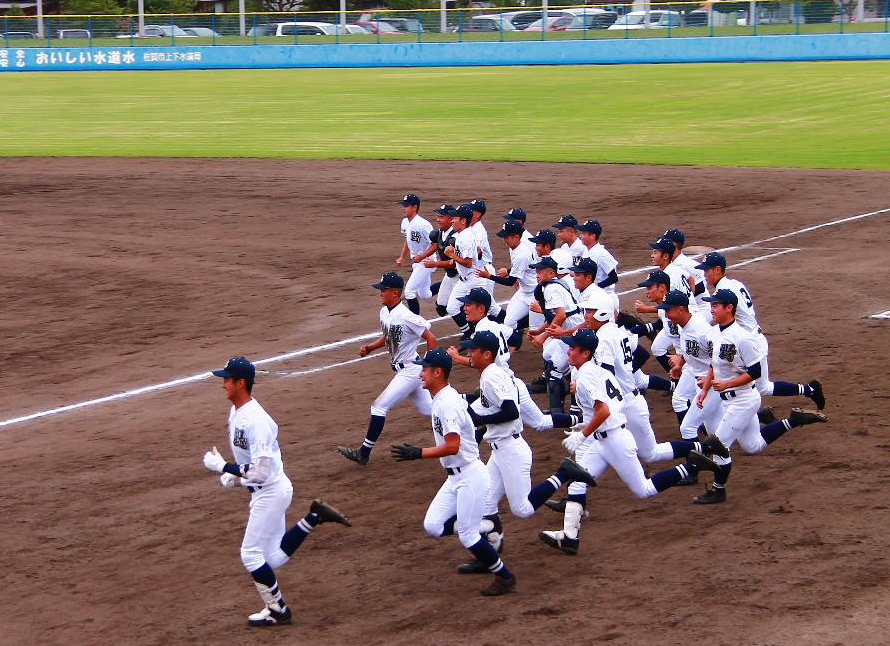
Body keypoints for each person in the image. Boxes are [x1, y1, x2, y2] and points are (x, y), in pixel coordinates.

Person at [539, 330, 721, 555]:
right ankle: (569, 537)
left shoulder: (587, 375)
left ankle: (690, 466)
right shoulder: (595, 371)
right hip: (604, 439)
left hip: (615, 441)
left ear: (585, 353)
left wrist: (583, 433)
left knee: (643, 489)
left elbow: (603, 411)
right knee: (577, 481)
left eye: (573, 348)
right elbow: (609, 408)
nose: (568, 350)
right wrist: (586, 428)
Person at [201, 356, 351, 626]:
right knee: (272, 558)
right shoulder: (237, 412)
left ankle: (278, 610)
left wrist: (224, 466)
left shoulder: (256, 421)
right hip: (267, 490)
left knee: (250, 555)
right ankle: (314, 516)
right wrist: (234, 479)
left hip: (270, 492)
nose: (223, 384)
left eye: (227, 379)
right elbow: (253, 470)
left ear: (241, 383)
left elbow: (260, 472)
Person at [456, 331, 598, 571]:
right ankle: (489, 555)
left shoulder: (491, 376)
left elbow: (511, 412)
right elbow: (492, 409)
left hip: (512, 450)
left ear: (487, 354)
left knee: (522, 509)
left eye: (473, 350)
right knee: (487, 504)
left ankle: (563, 473)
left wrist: (478, 420)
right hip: (501, 450)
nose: (469, 354)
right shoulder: (489, 375)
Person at [389, 348, 516, 596]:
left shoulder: (446, 403)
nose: (421, 373)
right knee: (433, 525)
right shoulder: (445, 397)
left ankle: (504, 576)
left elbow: (453, 446)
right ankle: (486, 527)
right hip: (456, 476)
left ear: (438, 372)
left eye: (425, 368)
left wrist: (419, 453)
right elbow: (469, 423)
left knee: (467, 536)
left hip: (469, 474)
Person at [692, 290, 827, 504]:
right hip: (730, 400)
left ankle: (719, 490)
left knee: (718, 444)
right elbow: (713, 365)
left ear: (729, 308)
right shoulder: (716, 334)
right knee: (753, 445)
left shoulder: (742, 338)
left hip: (744, 400)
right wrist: (705, 389)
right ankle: (793, 420)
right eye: (711, 305)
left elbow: (754, 372)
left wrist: (726, 384)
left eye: (716, 305)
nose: (711, 309)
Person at [695, 252, 825, 410]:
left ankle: (809, 390)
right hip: (749, 339)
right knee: (743, 385)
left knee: (759, 388)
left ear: (717, 269)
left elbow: (711, 321)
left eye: (707, 270)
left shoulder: (722, 293)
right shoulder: (735, 284)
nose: (704, 274)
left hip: (750, 343)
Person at [446, 288, 578, 434]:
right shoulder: (495, 325)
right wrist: (505, 356)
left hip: (502, 384)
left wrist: (457, 358)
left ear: (481, 308)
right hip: (508, 381)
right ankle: (579, 421)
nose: (464, 308)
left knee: (470, 420)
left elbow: (478, 362)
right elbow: (514, 339)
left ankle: (581, 421)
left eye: (468, 305)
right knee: (540, 422)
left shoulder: (482, 331)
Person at [338, 272, 436, 466]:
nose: (380, 293)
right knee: (430, 409)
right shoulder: (384, 312)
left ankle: (363, 453)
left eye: (383, 290)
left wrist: (428, 368)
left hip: (412, 370)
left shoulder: (407, 316)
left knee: (379, 406)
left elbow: (431, 338)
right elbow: (388, 336)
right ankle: (473, 418)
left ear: (395, 293)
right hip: (404, 370)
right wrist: (370, 347)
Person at [526, 256, 584, 414]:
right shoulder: (550, 286)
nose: (536, 274)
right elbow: (554, 317)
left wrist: (543, 336)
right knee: (549, 354)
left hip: (575, 333)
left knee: (555, 367)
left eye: (540, 271)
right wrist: (538, 331)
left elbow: (561, 316)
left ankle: (557, 412)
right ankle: (565, 385)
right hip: (568, 332)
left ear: (551, 273)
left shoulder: (551, 288)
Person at [476, 219, 537, 334]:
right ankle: (516, 335)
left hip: (534, 294)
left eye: (507, 237)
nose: (505, 241)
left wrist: (489, 276)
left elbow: (510, 282)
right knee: (509, 321)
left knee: (535, 329)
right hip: (524, 292)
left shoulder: (521, 254)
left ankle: (534, 320)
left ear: (516, 237)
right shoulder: (515, 249)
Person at [445, 204, 490, 337]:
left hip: (474, 279)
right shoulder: (461, 235)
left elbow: (468, 263)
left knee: (491, 310)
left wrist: (452, 255)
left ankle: (511, 334)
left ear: (463, 221)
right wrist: (455, 254)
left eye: (455, 218)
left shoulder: (466, 237)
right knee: (451, 307)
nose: (452, 220)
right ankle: (470, 334)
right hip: (464, 280)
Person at [412, 204, 458, 318]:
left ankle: (471, 331)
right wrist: (422, 256)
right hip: (449, 275)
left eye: (442, 217)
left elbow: (455, 263)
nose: (438, 219)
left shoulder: (456, 237)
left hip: (462, 277)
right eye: (438, 216)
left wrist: (434, 264)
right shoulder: (439, 233)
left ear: (451, 219)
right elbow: (436, 245)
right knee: (442, 308)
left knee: (461, 307)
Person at [395, 193, 435, 316]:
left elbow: (435, 243)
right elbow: (408, 241)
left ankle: (415, 324)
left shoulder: (423, 225)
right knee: (425, 294)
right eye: (403, 205)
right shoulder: (405, 223)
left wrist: (422, 256)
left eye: (406, 206)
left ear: (415, 207)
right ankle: (448, 284)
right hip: (417, 262)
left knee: (409, 292)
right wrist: (402, 256)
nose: (404, 208)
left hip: (427, 262)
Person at [661, 228, 710, 320]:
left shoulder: (687, 264)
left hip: (702, 310)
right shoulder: (671, 264)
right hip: (689, 309)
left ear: (674, 244)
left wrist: (684, 297)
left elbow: (701, 287)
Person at [469, 198, 504, 322]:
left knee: (489, 307)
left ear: (477, 214)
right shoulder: (471, 228)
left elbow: (478, 249)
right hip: (478, 270)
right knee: (480, 305)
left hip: (484, 270)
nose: (467, 211)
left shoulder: (479, 230)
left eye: (471, 210)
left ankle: (510, 327)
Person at [578, 219, 619, 293]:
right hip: (594, 295)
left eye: (584, 233)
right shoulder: (587, 251)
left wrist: (595, 287)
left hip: (605, 296)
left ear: (592, 236)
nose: (580, 236)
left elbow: (614, 278)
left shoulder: (601, 254)